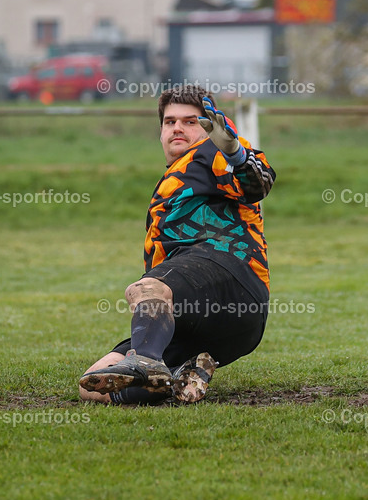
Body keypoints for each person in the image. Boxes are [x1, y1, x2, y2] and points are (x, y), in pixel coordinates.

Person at [78, 86, 275, 405]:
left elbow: (259, 182)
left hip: (234, 283)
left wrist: (234, 151)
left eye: (189, 121)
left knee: (145, 289)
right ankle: (185, 375)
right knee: (93, 384)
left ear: (208, 127)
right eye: (170, 122)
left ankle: (145, 360)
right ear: (160, 131)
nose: (178, 128)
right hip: (215, 325)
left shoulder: (212, 154)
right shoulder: (172, 181)